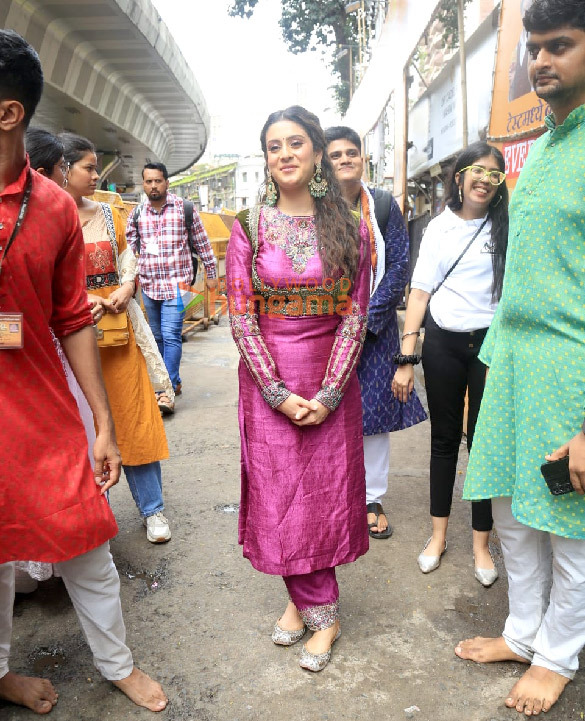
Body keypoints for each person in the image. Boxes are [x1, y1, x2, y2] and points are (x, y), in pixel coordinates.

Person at [0, 29, 167, 713]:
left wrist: (101, 422)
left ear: (9, 112)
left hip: (38, 407)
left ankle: (116, 663)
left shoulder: (55, 208)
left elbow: (72, 319)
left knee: (86, 539)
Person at [454, 0, 585, 714]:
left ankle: (558, 655)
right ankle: (523, 632)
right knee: (511, 510)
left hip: (572, 376)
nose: (539, 59)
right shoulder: (538, 149)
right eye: (532, 47)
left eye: (558, 45)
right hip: (510, 369)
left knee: (569, 523)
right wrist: (490, 373)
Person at [226, 106, 370, 672]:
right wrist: (278, 392)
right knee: (280, 499)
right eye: (272, 146)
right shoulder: (249, 225)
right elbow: (241, 316)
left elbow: (355, 316)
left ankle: (320, 615)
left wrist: (329, 392)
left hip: (331, 376)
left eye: (294, 143)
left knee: (322, 498)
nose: (284, 154)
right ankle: (308, 602)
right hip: (268, 384)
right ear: (266, 159)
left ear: (315, 151)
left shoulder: (350, 225)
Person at [392, 141, 509, 586]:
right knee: (443, 441)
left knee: (482, 442)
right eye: (475, 171)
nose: (483, 180)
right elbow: (419, 293)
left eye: (493, 175)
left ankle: (481, 542)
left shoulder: (506, 228)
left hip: (490, 348)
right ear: (459, 178)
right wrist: (407, 358)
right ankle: (437, 536)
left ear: (499, 186)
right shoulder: (439, 229)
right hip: (442, 341)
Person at [60, 132, 172, 545]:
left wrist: (126, 288)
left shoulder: (110, 214)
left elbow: (128, 260)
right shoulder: (50, 217)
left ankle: (153, 510)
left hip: (117, 337)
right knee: (85, 429)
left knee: (136, 419)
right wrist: (83, 299)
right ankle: (97, 512)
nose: (95, 176)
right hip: (71, 340)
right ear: (61, 169)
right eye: (88, 168)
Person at [325, 125, 427, 539]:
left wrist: (367, 319)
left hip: (374, 329)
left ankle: (370, 498)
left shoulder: (382, 204)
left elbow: (399, 265)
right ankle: (333, 492)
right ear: (324, 162)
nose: (346, 159)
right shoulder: (311, 208)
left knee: (373, 416)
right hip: (325, 328)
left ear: (363, 159)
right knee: (325, 410)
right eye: (336, 154)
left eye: (352, 152)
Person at [126, 162, 218, 411]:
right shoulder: (136, 213)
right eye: (148, 181)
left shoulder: (185, 209)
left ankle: (165, 391)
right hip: (148, 284)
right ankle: (173, 381)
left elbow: (203, 244)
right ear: (143, 184)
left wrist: (212, 273)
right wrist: (127, 280)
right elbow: (129, 250)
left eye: (158, 181)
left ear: (167, 182)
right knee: (155, 338)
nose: (153, 186)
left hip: (179, 286)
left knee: (171, 335)